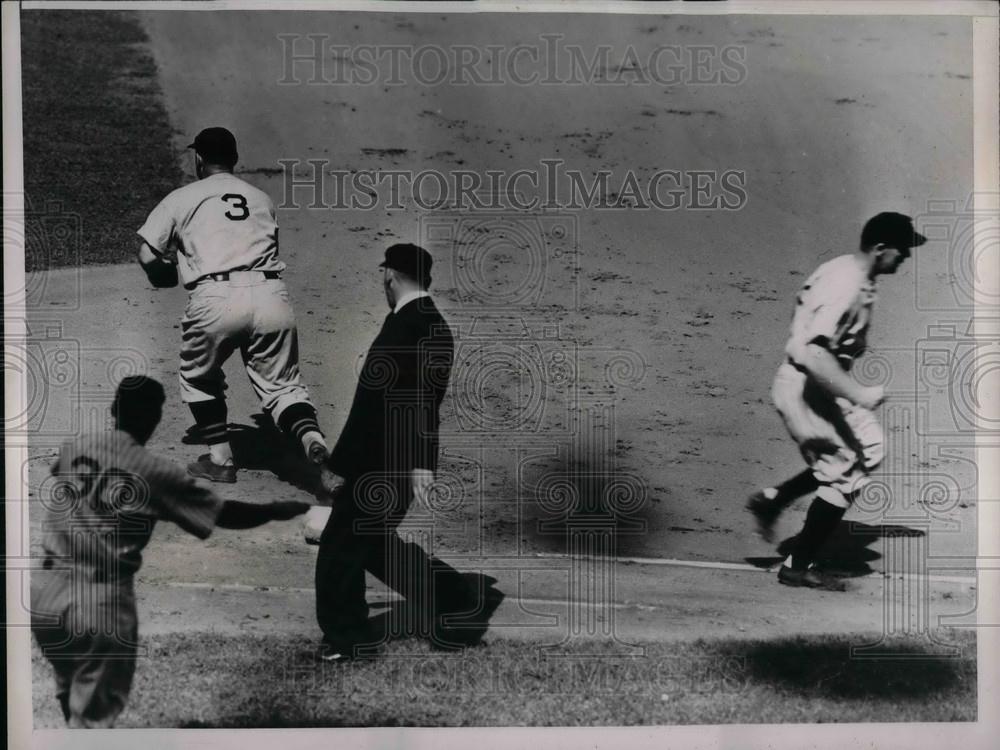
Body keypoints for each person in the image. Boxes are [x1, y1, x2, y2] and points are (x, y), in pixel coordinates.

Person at [30, 376, 311, 728]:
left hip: (45, 596)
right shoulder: (155, 473)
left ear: (114, 409)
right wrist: (274, 510)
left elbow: (63, 474)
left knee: (68, 694)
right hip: (98, 603)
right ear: (154, 419)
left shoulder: (77, 447)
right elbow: (223, 514)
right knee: (92, 724)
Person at [314, 243, 502, 661]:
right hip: (390, 459)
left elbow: (416, 400)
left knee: (340, 546)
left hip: (382, 461)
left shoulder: (414, 325)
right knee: (375, 545)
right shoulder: (421, 322)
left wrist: (345, 465)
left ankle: (347, 639)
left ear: (389, 275)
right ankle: (454, 595)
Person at [135, 127, 337, 491]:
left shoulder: (181, 197)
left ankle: (221, 460)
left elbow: (147, 253)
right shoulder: (261, 199)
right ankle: (312, 440)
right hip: (270, 294)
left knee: (199, 378)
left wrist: (162, 273)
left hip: (215, 299)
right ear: (235, 159)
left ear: (198, 159)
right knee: (283, 387)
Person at [746, 212, 927, 590]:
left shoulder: (846, 270)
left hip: (819, 384)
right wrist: (858, 393)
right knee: (846, 472)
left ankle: (776, 499)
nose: (906, 256)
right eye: (902, 249)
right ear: (880, 249)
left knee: (869, 448)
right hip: (808, 385)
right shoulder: (847, 284)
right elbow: (814, 355)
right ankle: (797, 565)